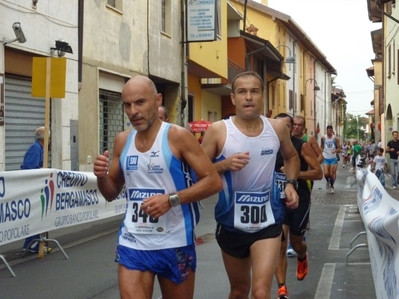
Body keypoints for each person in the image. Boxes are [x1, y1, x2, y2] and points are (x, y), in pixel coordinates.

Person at [93, 75, 222, 299]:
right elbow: (111, 192)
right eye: (127, 104)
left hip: (175, 241)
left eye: (140, 102)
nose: (133, 111)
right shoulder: (122, 141)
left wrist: (172, 199)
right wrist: (101, 177)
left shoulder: (178, 136)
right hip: (133, 241)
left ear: (157, 100)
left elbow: (213, 181)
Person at [201, 71, 300, 299]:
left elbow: (291, 157)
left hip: (268, 221)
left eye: (254, 91)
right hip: (230, 221)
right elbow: (198, 172)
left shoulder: (276, 128)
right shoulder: (218, 130)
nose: (248, 97)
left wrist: (291, 184)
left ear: (262, 96)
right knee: (239, 291)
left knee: (261, 292)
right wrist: (224, 164)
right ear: (233, 98)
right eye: (242, 92)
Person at [274, 113, 323, 299]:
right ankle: (282, 288)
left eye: (287, 125)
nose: (283, 129)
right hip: (276, 201)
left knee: (295, 243)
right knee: (280, 244)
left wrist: (294, 175)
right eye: (279, 125)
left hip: (299, 200)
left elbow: (318, 174)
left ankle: (302, 255)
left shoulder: (300, 146)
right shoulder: (267, 146)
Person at [21, 126, 52, 253]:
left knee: (39, 215)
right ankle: (32, 244)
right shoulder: (36, 149)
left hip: (37, 188)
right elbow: (29, 168)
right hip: (33, 188)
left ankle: (36, 242)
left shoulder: (40, 149)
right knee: (35, 215)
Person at [321, 125, 341, 194]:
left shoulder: (335, 138)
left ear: (332, 131)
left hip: (333, 158)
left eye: (330, 130)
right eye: (327, 130)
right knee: (326, 174)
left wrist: (335, 151)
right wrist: (319, 153)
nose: (329, 132)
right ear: (326, 131)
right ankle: (328, 181)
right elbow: (321, 147)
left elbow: (339, 148)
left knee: (331, 174)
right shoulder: (323, 138)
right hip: (326, 157)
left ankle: (332, 187)